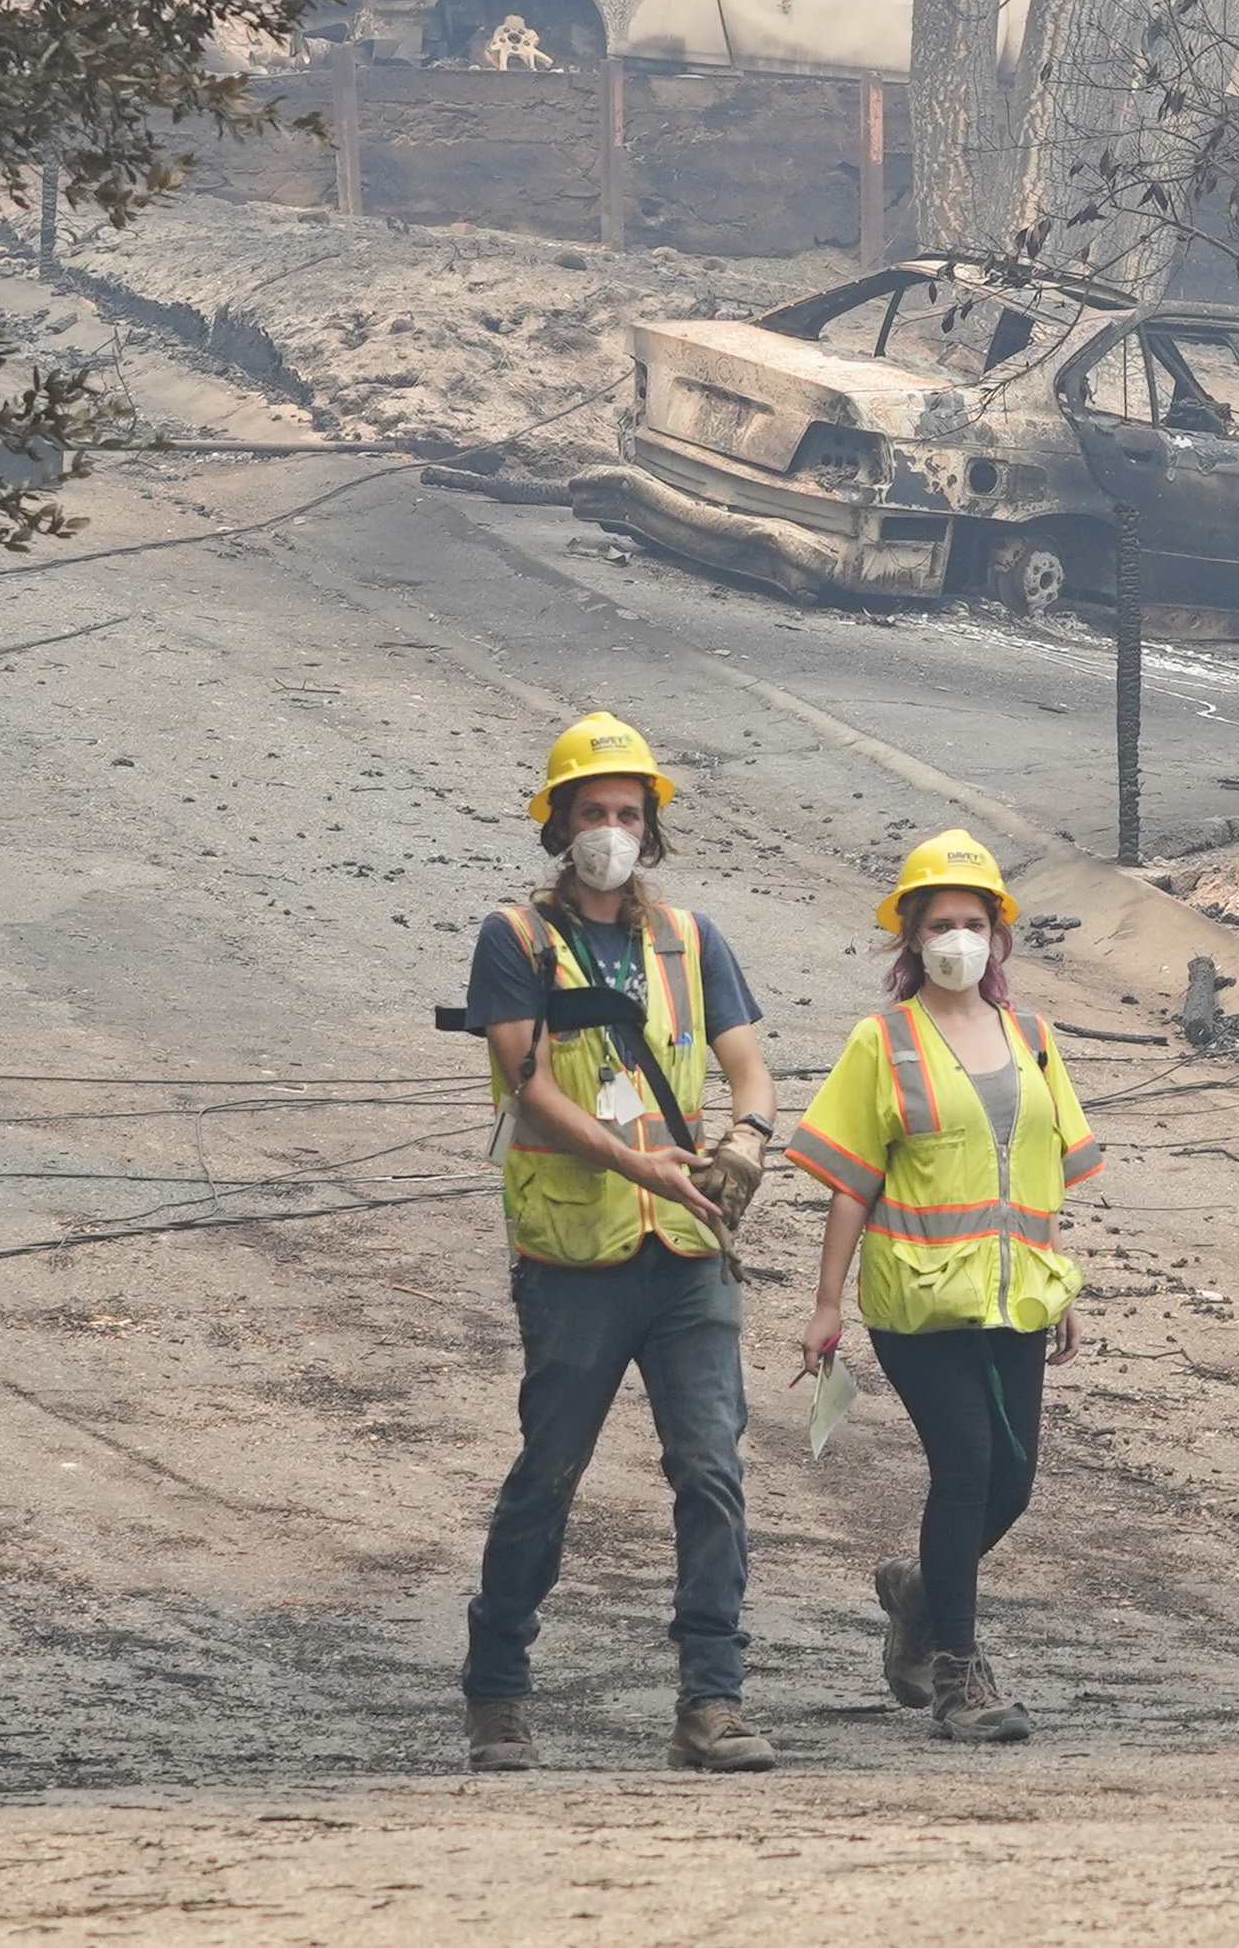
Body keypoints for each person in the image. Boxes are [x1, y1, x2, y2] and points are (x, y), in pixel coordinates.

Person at [457, 712, 782, 1777]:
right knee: (549, 1472)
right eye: (591, 812)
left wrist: (749, 1138)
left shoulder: (691, 941)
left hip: (686, 1255)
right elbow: (533, 1092)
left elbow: (749, 1066)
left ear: (652, 828)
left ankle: (712, 1704)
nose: (610, 829)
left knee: (711, 1472)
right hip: (575, 1257)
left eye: (627, 813)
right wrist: (649, 1168)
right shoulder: (516, 940)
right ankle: (497, 1689)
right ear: (557, 826)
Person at [785, 829, 1103, 1745]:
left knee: (1012, 1483)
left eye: (972, 922)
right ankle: (958, 1671)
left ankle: (917, 1592)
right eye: (939, 924)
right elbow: (852, 1182)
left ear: (996, 936)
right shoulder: (879, 1041)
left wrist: (1058, 1283)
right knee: (964, 1471)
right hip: (918, 1300)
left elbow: (1034, 1169)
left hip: (1015, 1297)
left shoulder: (1033, 1038)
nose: (956, 939)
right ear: (910, 940)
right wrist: (824, 1303)